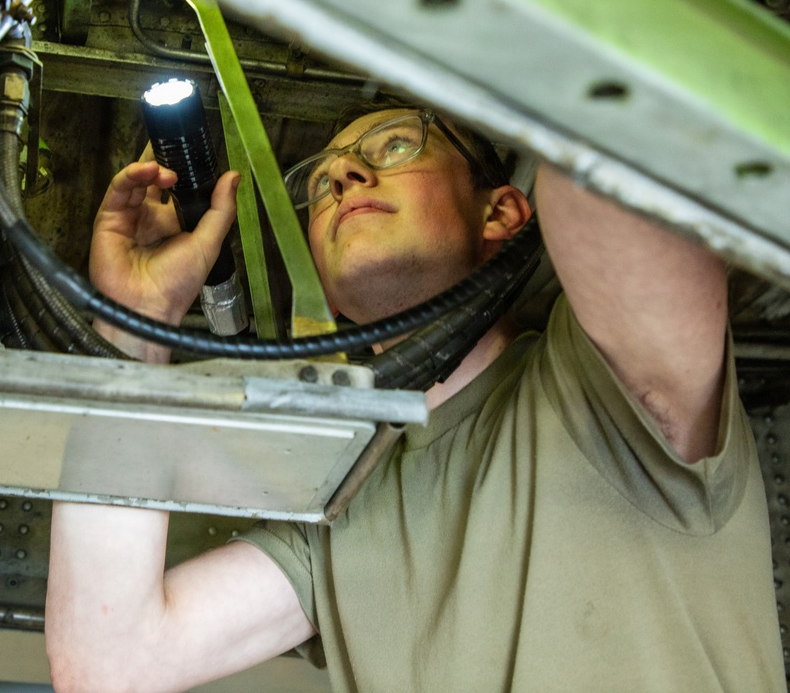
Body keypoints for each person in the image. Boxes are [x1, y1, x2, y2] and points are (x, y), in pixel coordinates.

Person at [44, 100, 784, 691]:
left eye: (396, 145)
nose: (343, 177)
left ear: (500, 214)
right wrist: (137, 332)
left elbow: (610, 162)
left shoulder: (600, 388)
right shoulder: (340, 506)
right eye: (324, 178)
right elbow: (111, 665)